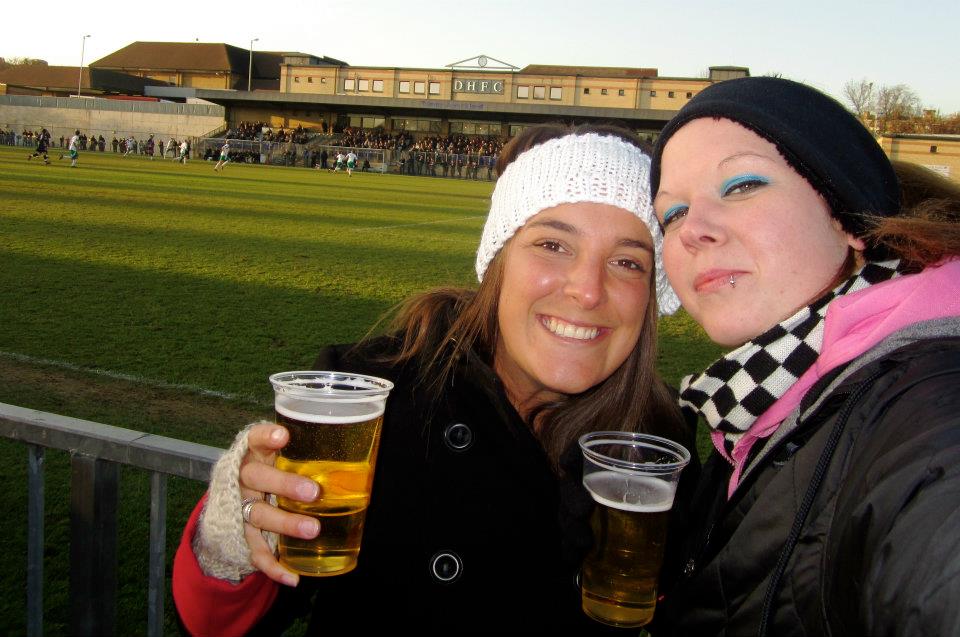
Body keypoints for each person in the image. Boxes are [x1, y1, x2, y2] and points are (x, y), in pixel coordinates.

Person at [173, 124, 697, 635]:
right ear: (498, 260)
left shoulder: (663, 446)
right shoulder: (371, 399)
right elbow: (213, 625)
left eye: (628, 261)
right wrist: (234, 533)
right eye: (552, 245)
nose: (588, 290)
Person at [646, 76, 960, 636]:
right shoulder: (763, 394)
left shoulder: (927, 407)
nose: (692, 230)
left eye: (741, 185)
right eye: (672, 214)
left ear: (848, 217)